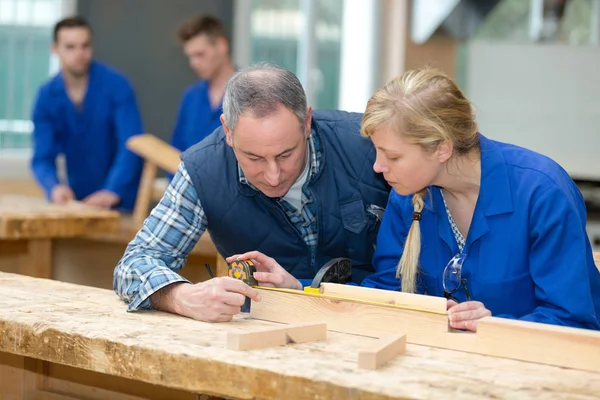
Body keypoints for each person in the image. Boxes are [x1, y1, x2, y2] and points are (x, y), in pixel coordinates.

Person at [113, 63, 391, 322]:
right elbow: (132, 266)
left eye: (286, 154)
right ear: (228, 131)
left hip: (375, 320)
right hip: (267, 329)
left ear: (306, 122)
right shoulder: (204, 171)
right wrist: (179, 296)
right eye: (254, 158)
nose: (273, 175)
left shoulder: (369, 146)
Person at [356, 68, 600, 331]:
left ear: (442, 148)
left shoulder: (542, 193)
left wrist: (496, 328)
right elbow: (386, 293)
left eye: (392, 156)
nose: (378, 167)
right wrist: (311, 289)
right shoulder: (407, 194)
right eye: (377, 152)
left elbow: (572, 320)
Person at [31, 16, 144, 211]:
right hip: (79, 200)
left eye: (85, 46)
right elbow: (42, 157)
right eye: (70, 47)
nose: (79, 54)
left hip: (123, 199)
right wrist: (54, 187)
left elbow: (132, 144)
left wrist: (112, 190)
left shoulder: (117, 85)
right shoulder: (47, 96)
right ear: (55, 49)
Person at [170, 14, 236, 153]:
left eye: (200, 54)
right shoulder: (190, 97)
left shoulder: (251, 93)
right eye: (190, 56)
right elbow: (176, 152)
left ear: (221, 45)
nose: (193, 63)